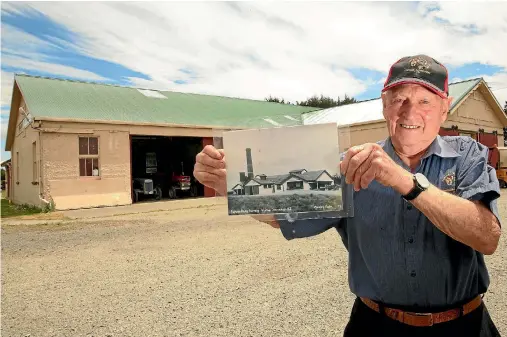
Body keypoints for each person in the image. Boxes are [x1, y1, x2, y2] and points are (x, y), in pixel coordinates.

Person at [193, 54, 502, 337]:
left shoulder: (469, 156)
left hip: (464, 327)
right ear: (384, 105)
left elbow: (487, 237)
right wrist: (228, 183)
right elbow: (280, 216)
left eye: (425, 101)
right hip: (375, 325)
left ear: (445, 108)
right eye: (399, 99)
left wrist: (404, 181)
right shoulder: (348, 164)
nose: (410, 112)